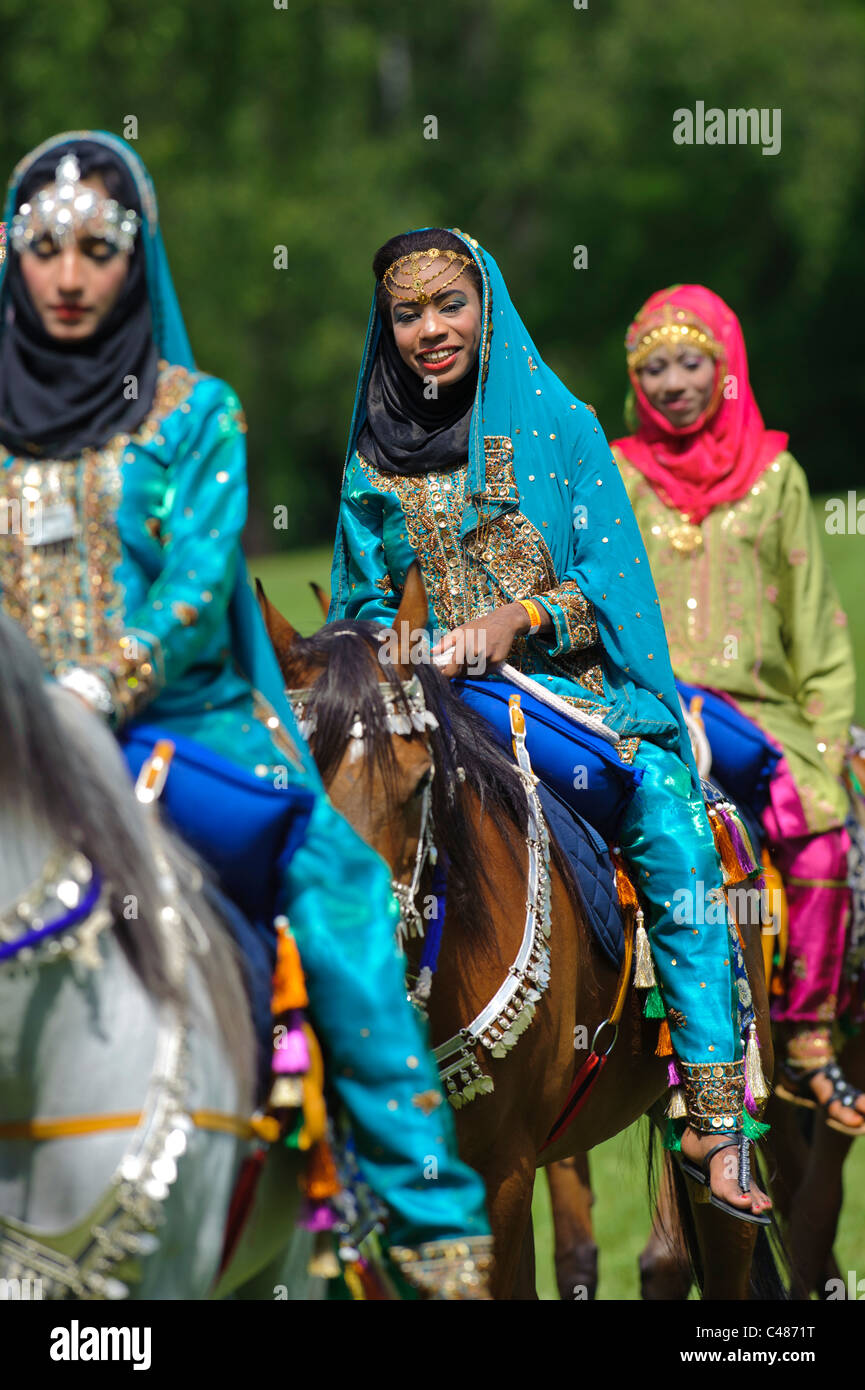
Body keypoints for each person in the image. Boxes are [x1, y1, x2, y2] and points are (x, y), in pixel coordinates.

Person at [0, 133, 492, 1296]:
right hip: (14, 739)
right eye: (44, 246)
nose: (69, 274)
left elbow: (194, 584)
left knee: (336, 884)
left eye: (99, 249)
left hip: (176, 726)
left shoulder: (192, 413)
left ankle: (420, 1212)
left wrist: (97, 680)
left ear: (138, 261)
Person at [328, 227, 772, 1219]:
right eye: (408, 313)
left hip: (568, 699)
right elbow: (355, 602)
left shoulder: (559, 427)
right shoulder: (368, 454)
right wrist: (388, 650)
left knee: (670, 818)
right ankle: (316, 1093)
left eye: (451, 305)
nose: (430, 330)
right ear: (385, 325)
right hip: (426, 708)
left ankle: (712, 1114)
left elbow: (612, 586)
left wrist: (517, 619)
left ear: (486, 306)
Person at [611, 284, 862, 1133]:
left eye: (691, 364)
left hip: (760, 712)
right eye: (653, 368)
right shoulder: (618, 474)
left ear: (727, 370)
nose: (674, 383)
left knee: (820, 824)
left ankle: (808, 1043)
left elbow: (817, 623)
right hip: (647, 703)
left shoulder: (775, 476)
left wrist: (826, 741)